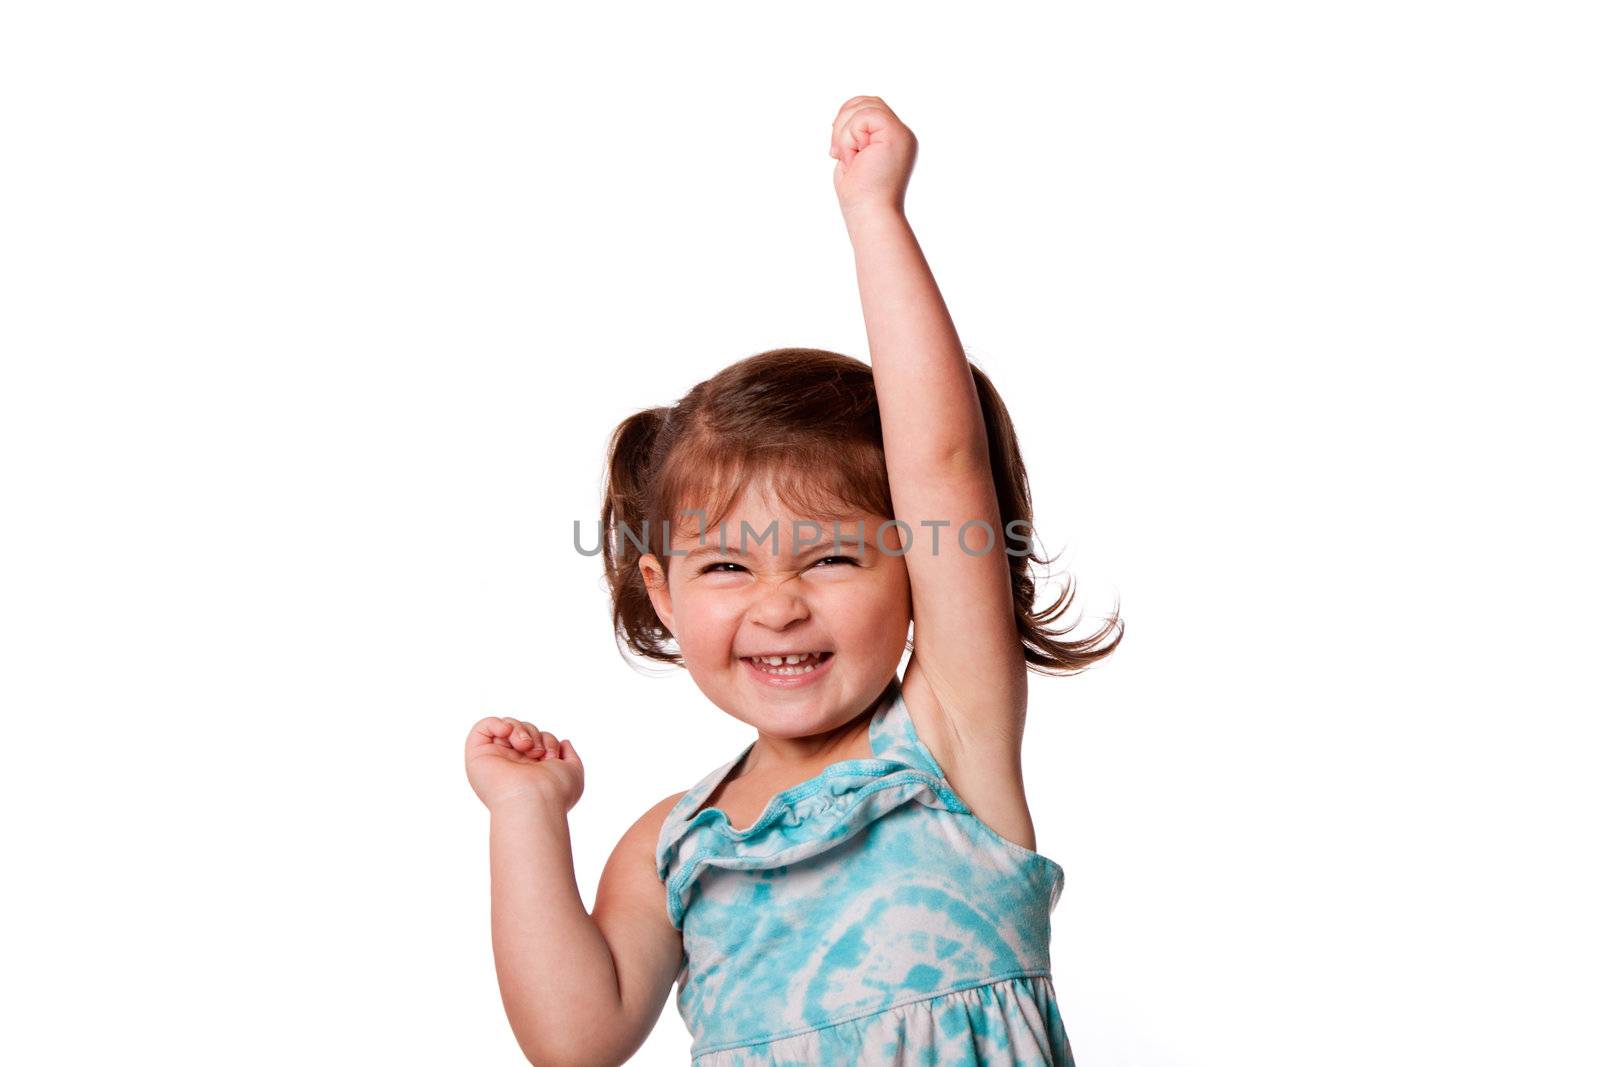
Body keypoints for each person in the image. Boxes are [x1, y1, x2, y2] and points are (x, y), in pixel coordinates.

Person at [465, 95, 1122, 1066]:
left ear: (916, 559)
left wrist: (873, 214)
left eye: (831, 556)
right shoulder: (674, 845)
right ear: (661, 589)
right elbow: (574, 1038)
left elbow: (941, 459)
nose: (778, 603)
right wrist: (526, 814)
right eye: (727, 564)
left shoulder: (947, 739)